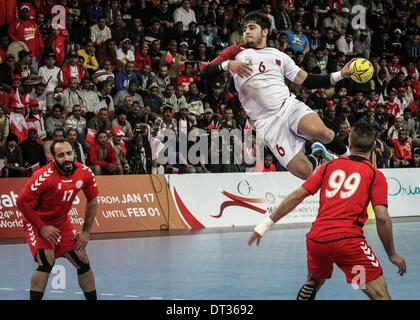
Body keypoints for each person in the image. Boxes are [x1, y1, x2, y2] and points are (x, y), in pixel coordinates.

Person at [248, 123, 407, 300]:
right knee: (380, 295)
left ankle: (311, 285)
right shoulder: (375, 175)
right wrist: (392, 254)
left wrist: (265, 225)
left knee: (315, 281)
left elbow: (296, 196)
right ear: (373, 147)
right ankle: (358, 279)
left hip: (318, 241)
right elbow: (382, 218)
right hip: (348, 245)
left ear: (350, 144)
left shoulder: (328, 167)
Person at [201, 11, 353, 179]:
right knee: (305, 172)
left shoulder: (279, 55)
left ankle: (353, 161)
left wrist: (341, 74)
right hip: (266, 122)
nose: (247, 32)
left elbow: (307, 80)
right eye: (244, 29)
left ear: (265, 31)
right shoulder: (235, 52)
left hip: (287, 106)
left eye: (252, 28)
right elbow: (204, 71)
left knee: (319, 131)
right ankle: (318, 156)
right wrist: (227, 64)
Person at [16, 139, 99, 300]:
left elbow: (92, 200)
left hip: (62, 221)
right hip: (36, 222)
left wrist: (86, 232)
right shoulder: (42, 177)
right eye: (61, 155)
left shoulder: (85, 172)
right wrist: (41, 227)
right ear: (52, 157)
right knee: (47, 262)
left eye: (69, 153)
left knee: (82, 260)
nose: (66, 158)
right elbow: (21, 202)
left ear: (74, 153)